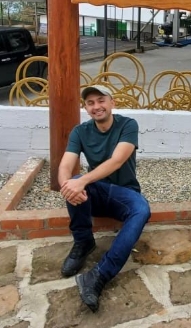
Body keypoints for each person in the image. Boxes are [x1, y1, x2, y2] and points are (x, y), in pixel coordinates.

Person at [58, 84, 151, 312]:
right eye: (90, 103)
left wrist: (80, 182)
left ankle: (99, 275)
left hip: (124, 194)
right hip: (97, 192)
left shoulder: (128, 125)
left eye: (101, 100)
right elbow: (66, 164)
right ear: (86, 108)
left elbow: (117, 160)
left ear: (112, 103)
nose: (96, 106)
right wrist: (67, 186)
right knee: (74, 180)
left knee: (141, 210)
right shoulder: (80, 131)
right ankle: (83, 242)